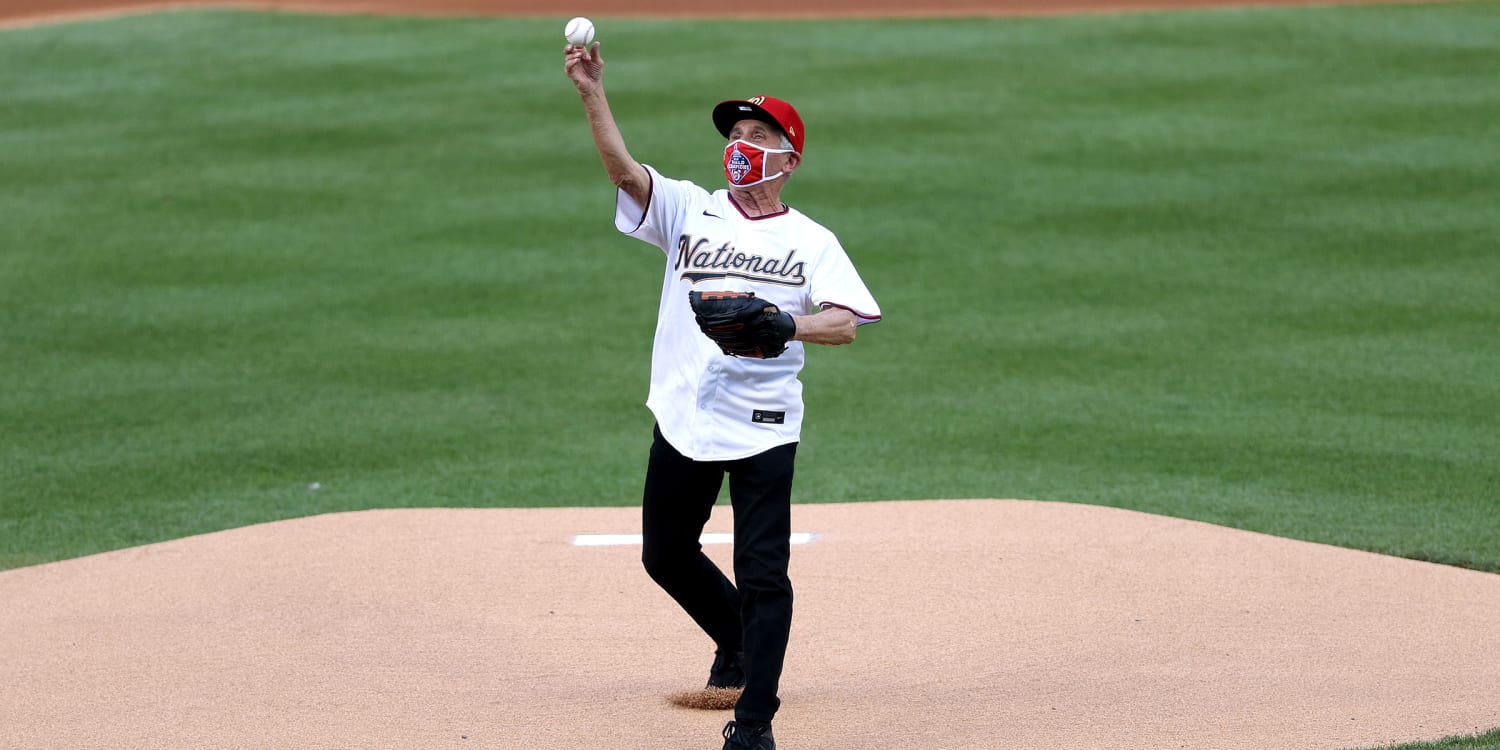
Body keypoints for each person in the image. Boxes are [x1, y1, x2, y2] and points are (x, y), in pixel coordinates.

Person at [564, 39, 882, 750]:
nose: (739, 146)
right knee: (665, 553)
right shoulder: (689, 210)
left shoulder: (811, 241)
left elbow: (844, 325)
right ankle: (739, 643)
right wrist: (590, 91)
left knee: (763, 574)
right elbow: (622, 168)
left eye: (756, 136)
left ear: (789, 159)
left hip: (764, 425)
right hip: (685, 415)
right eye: (733, 135)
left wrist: (782, 323)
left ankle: (755, 722)